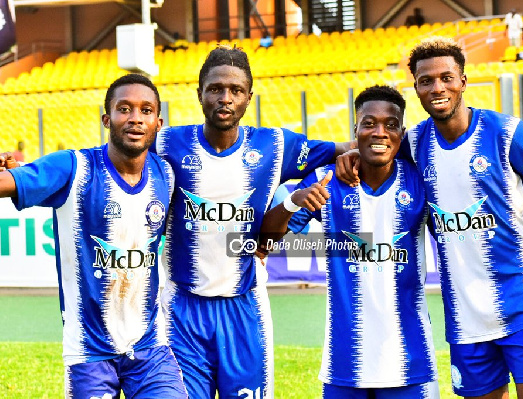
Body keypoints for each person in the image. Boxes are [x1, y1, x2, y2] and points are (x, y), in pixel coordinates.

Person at [337, 36, 523, 398]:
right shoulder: (413, 145)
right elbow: (372, 145)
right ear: (416, 88)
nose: (437, 87)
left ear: (463, 81)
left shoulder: (507, 134)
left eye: (446, 77)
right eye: (426, 81)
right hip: (463, 315)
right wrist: (344, 156)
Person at [153, 45, 354, 398]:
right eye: (215, 89)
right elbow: (107, 160)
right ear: (199, 93)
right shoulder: (167, 143)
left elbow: (345, 149)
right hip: (181, 310)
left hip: (245, 307)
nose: (225, 98)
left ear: (249, 98)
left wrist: (363, 154)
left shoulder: (276, 146)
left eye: (236, 90)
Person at [0, 74, 188, 398]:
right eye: (124, 108)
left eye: (145, 111)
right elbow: (10, 182)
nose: (135, 118)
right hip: (89, 355)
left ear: (158, 123)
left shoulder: (167, 174)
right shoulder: (75, 168)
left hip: (149, 350)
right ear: (107, 118)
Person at [259, 85, 440, 398]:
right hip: (345, 365)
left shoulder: (422, 180)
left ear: (402, 133)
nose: (379, 133)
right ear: (355, 130)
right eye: (369, 124)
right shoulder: (326, 181)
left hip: (410, 362)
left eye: (390, 125)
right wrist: (293, 202)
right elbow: (263, 243)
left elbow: (462, 233)